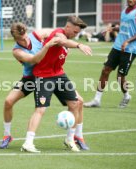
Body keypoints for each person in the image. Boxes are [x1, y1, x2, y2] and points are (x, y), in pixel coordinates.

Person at [20, 16, 92, 153]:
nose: (75, 35)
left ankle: (70, 139)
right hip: (43, 75)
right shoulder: (58, 34)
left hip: (58, 75)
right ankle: (28, 143)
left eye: (78, 33)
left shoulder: (67, 38)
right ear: (68, 27)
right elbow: (62, 41)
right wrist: (79, 45)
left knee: (75, 103)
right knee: (41, 109)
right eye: (75, 32)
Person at [0, 22, 59, 149]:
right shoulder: (17, 51)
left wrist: (63, 43)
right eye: (22, 39)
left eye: (26, 36)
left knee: (76, 102)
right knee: (8, 102)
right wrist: (48, 46)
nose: (26, 39)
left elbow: (57, 32)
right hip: (30, 79)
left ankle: (75, 136)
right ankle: (7, 135)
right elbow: (34, 60)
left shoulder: (36, 35)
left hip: (47, 76)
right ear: (15, 39)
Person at [84, 0, 136, 108]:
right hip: (117, 46)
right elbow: (124, 27)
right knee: (105, 71)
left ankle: (126, 96)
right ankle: (97, 100)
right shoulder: (124, 11)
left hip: (129, 50)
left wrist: (128, 41)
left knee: (120, 76)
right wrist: (112, 28)